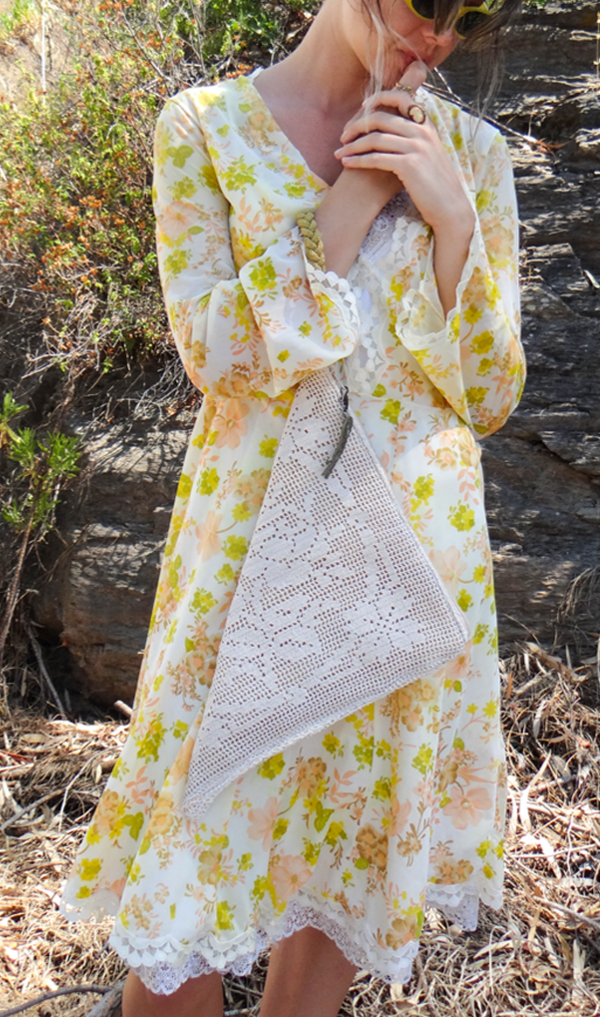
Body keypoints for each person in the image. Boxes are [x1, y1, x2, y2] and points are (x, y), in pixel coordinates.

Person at [61, 0, 526, 1014]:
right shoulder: (206, 128)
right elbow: (217, 356)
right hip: (249, 560)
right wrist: (354, 197)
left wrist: (452, 221)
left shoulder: (472, 156)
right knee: (189, 881)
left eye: (472, 14)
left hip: (410, 565)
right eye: (426, 5)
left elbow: (491, 394)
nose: (439, 38)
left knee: (347, 855)